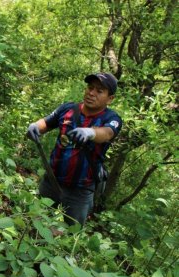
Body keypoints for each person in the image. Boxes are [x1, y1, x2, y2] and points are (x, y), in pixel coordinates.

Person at [26, 72, 123, 225]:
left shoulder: (111, 118)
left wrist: (90, 132)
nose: (91, 93)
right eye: (90, 88)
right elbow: (45, 123)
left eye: (99, 91)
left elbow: (107, 133)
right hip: (51, 181)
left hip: (80, 190)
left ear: (110, 98)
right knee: (35, 223)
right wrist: (34, 127)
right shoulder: (68, 109)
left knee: (72, 233)